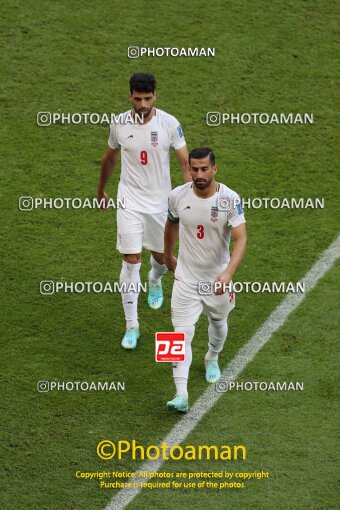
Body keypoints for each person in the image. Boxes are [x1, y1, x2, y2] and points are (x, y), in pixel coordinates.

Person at [97, 72, 190, 350]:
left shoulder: (169, 124)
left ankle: (155, 279)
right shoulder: (119, 124)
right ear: (130, 97)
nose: (142, 104)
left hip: (160, 203)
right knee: (130, 259)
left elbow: (185, 164)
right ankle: (132, 326)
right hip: (129, 202)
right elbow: (110, 158)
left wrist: (190, 199)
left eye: (147, 98)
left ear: (154, 97)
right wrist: (101, 189)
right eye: (137, 98)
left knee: (162, 258)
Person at [164, 147, 247, 412]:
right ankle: (181, 394)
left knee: (219, 322)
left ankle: (212, 356)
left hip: (216, 281)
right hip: (185, 280)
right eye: (194, 169)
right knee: (178, 335)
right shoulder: (177, 195)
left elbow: (241, 239)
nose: (198, 174)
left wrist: (227, 274)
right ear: (188, 168)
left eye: (204, 169)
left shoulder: (229, 199)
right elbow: (171, 224)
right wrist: (167, 255)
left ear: (214, 169)